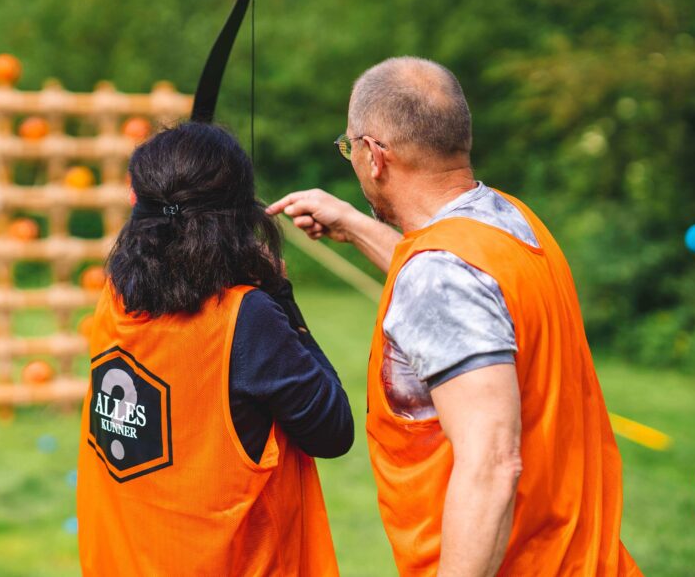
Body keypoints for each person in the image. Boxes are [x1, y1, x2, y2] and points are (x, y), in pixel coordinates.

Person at [268, 56, 641, 576]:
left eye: (349, 146)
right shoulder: (508, 221)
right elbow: (441, 276)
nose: (350, 158)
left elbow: (491, 465)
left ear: (375, 156)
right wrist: (355, 226)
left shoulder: (443, 276)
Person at [77, 122, 352, 576]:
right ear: (238, 217)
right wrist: (281, 294)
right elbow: (333, 430)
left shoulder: (118, 295)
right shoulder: (247, 316)